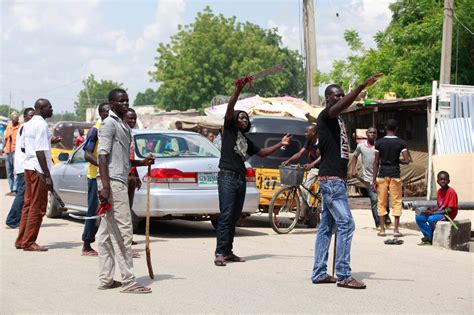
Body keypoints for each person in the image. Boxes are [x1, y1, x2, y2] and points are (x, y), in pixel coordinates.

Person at [311, 73, 382, 289]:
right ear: (327, 99)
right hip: (331, 180)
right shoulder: (327, 115)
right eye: (336, 95)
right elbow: (337, 108)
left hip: (336, 178)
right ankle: (343, 274)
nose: (340, 98)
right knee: (347, 223)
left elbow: (331, 149)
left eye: (342, 95)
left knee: (327, 227)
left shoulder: (339, 120)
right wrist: (360, 86)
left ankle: (319, 273)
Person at [214, 76, 292, 267]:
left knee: (234, 217)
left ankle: (228, 251)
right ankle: (219, 253)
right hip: (227, 177)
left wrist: (280, 144)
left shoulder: (245, 140)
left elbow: (262, 152)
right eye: (241, 117)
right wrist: (238, 89)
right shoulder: (230, 130)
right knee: (225, 215)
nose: (243, 119)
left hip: (240, 179)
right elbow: (231, 108)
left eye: (246, 118)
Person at [97, 88, 154, 293]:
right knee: (123, 231)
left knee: (105, 234)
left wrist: (141, 162)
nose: (125, 104)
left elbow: (120, 158)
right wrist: (105, 187)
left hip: (116, 179)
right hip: (112, 183)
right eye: (121, 101)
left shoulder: (122, 125)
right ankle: (129, 281)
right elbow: (102, 157)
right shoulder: (109, 124)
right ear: (111, 104)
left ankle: (106, 279)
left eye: (127, 101)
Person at [15, 99, 57, 251]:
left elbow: (27, 147)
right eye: (49, 107)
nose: (52, 110)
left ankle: (21, 240)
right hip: (38, 169)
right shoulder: (41, 124)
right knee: (37, 207)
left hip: (28, 166)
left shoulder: (28, 124)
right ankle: (29, 242)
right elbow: (39, 151)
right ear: (40, 109)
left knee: (28, 205)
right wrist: (47, 175)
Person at [372, 119, 410, 238]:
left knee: (381, 202)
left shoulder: (379, 142)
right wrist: (397, 160)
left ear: (385, 128)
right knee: (396, 202)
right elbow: (406, 160)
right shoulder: (401, 143)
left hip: (382, 174)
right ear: (396, 128)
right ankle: (396, 230)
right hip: (395, 174)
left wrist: (373, 180)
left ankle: (382, 230)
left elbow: (376, 162)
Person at [81, 102, 110, 256]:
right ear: (101, 113)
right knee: (94, 211)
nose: (109, 114)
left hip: (109, 176)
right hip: (95, 177)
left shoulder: (111, 127)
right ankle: (86, 244)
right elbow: (87, 154)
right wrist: (102, 165)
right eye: (106, 112)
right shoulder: (95, 130)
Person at [351, 127, 391, 229]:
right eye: (370, 132)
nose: (372, 134)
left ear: (377, 135)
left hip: (381, 176)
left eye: (374, 133)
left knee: (384, 199)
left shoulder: (380, 145)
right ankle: (378, 223)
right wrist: (353, 169)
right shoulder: (360, 146)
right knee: (374, 200)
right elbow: (354, 156)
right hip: (368, 178)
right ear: (366, 134)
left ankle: (386, 215)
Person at [282, 124, 320, 221]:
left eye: (307, 132)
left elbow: (323, 156)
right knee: (304, 188)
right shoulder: (309, 142)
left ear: (314, 133)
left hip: (323, 169)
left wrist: (312, 164)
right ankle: (303, 214)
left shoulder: (321, 141)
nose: (305, 134)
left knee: (323, 193)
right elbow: (300, 153)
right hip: (314, 169)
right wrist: (288, 161)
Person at [5, 108, 35, 228]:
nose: (32, 118)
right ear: (25, 117)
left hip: (23, 165)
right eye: (30, 116)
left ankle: (19, 218)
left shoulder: (23, 127)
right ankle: (12, 219)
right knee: (22, 193)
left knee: (25, 194)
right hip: (24, 166)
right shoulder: (25, 128)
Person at [415, 171, 458, 245]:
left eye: (445, 179)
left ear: (449, 181)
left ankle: (431, 237)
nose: (443, 181)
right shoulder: (439, 191)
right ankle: (429, 237)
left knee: (431, 219)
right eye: (441, 179)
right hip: (440, 213)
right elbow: (440, 206)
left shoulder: (451, 192)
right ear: (437, 181)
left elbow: (449, 209)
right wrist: (430, 210)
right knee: (419, 217)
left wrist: (433, 213)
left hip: (448, 215)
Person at [124, 108, 141, 247]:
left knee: (128, 208)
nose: (133, 121)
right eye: (130, 118)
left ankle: (127, 237)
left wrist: (136, 176)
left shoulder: (131, 133)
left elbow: (131, 157)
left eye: (134, 118)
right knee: (121, 210)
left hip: (131, 175)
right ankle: (123, 241)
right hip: (121, 176)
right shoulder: (121, 133)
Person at [3, 112, 21, 196]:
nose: (15, 120)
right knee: (9, 171)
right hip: (8, 152)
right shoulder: (8, 127)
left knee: (16, 171)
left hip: (16, 152)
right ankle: (11, 189)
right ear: (11, 119)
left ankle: (15, 189)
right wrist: (2, 148)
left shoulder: (20, 127)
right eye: (13, 118)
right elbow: (5, 139)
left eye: (16, 118)